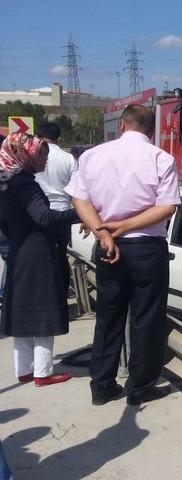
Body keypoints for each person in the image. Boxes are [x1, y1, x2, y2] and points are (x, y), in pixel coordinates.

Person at [65, 105, 181, 406]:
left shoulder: (92, 156)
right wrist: (124, 226)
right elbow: (167, 207)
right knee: (146, 318)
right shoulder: (161, 158)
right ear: (150, 130)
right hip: (146, 247)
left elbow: (80, 199)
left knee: (108, 316)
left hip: (107, 247)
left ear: (121, 127)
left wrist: (104, 233)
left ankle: (102, 385)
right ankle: (140, 387)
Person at [0, 133, 80, 386]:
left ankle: (24, 370)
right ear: (24, 154)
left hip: (19, 252)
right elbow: (44, 217)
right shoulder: (26, 184)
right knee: (44, 311)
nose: (45, 159)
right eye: (40, 154)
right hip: (38, 255)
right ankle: (43, 372)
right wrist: (80, 214)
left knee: (21, 311)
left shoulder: (7, 182)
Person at [35, 122, 77, 299]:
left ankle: (42, 295)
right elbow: (77, 191)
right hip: (63, 214)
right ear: (59, 138)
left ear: (38, 136)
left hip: (37, 212)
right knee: (61, 256)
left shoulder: (33, 155)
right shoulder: (68, 159)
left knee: (40, 256)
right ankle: (61, 294)